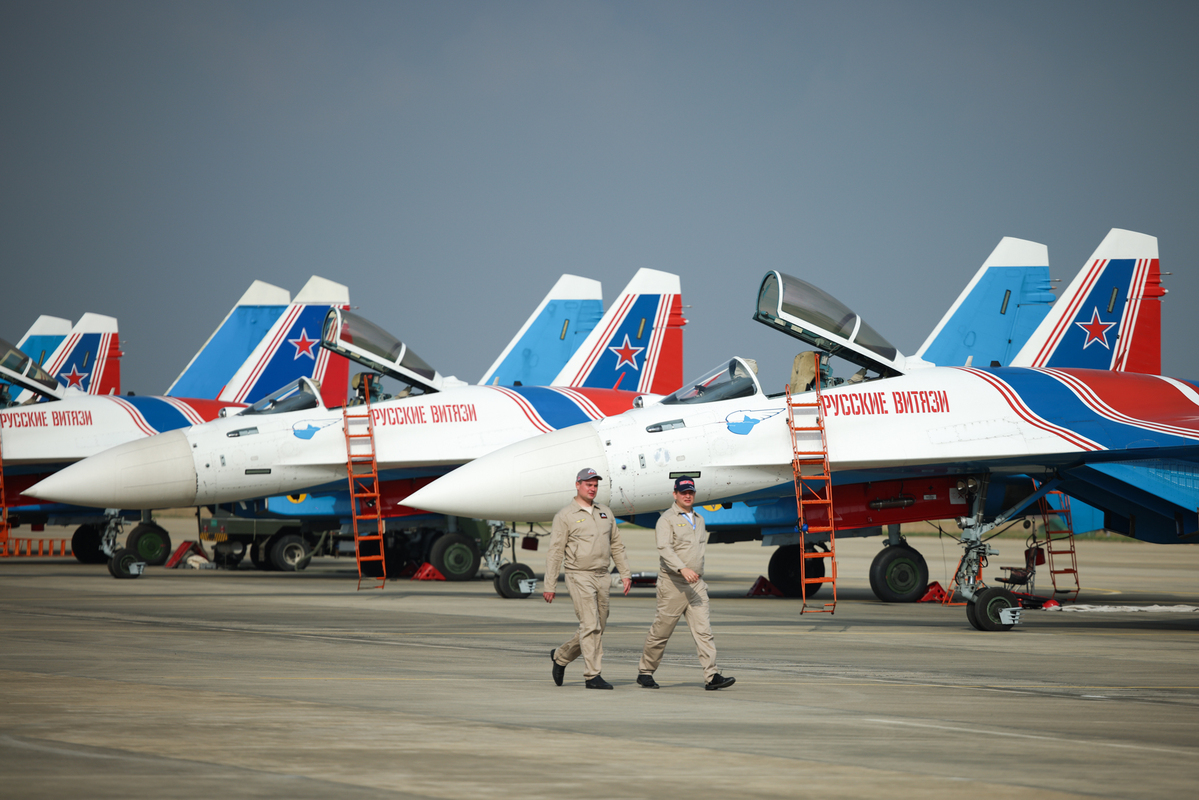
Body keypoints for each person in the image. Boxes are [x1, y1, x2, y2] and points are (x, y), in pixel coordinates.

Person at [636, 477, 735, 691]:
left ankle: (712, 675)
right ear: (675, 494)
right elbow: (664, 549)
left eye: (690, 491)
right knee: (662, 631)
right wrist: (682, 568)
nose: (687, 495)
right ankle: (645, 672)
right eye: (683, 492)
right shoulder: (666, 520)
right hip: (673, 584)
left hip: (696, 585)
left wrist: (695, 573)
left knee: (704, 632)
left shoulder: (699, 519)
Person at [544, 467, 632, 689]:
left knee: (597, 626)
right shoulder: (565, 516)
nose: (592, 489)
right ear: (577, 485)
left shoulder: (605, 512)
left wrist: (625, 573)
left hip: (602, 576)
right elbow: (555, 551)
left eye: (595, 485)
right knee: (590, 624)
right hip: (578, 575)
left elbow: (617, 545)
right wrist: (550, 584)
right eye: (588, 484)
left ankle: (561, 657)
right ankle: (592, 676)